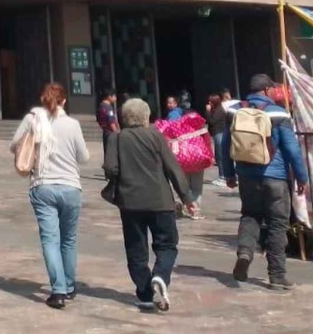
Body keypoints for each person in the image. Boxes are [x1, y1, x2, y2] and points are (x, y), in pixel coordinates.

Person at [105, 97, 193, 312]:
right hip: (160, 201)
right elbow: (173, 168)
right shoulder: (156, 135)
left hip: (130, 203)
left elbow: (110, 168)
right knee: (167, 245)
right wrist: (187, 198)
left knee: (136, 249)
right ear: (146, 116)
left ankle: (144, 294)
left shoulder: (117, 138)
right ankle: (161, 275)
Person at [10, 83, 90, 309]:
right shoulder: (73, 124)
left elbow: (14, 145)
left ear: (43, 100)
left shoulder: (33, 119)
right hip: (70, 187)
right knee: (69, 239)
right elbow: (84, 157)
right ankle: (70, 285)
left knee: (50, 239)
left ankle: (58, 290)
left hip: (42, 185)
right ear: (64, 101)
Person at [225, 73, 307, 291]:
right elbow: (291, 149)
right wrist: (301, 177)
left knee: (250, 215)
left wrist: (229, 173)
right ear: (267, 90)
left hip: (246, 175)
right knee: (277, 224)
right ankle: (277, 275)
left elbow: (226, 144)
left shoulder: (235, 111)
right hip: (275, 176)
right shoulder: (278, 113)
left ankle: (245, 253)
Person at [206, 91, 231, 187]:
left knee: (220, 157)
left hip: (219, 134)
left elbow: (212, 121)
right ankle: (223, 176)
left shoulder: (220, 110)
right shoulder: (216, 109)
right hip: (217, 134)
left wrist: (208, 112)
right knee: (219, 156)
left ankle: (223, 177)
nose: (209, 103)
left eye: (210, 101)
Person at [97, 91, 120, 161]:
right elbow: (111, 122)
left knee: (107, 151)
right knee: (112, 152)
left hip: (105, 131)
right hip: (110, 132)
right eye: (114, 96)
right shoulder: (108, 107)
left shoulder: (101, 105)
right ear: (109, 96)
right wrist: (116, 132)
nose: (115, 98)